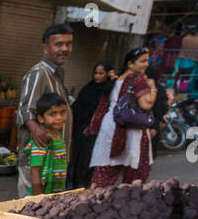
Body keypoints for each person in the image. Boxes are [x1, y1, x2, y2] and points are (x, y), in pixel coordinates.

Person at [16, 23, 73, 198]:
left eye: (68, 44)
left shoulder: (56, 73)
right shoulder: (39, 73)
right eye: (58, 44)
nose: (64, 48)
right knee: (31, 209)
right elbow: (25, 109)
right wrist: (36, 129)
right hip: (39, 163)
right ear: (45, 48)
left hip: (54, 162)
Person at [88, 46, 156, 187]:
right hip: (130, 129)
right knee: (134, 176)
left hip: (110, 126)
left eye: (147, 61)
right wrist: (153, 88)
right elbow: (146, 104)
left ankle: (95, 201)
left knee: (105, 172)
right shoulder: (139, 80)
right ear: (130, 64)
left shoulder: (116, 79)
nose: (146, 64)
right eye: (142, 61)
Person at [68, 62, 111, 190]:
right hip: (79, 129)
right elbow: (78, 107)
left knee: (86, 160)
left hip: (95, 132)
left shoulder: (107, 90)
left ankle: (81, 185)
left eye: (101, 73)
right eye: (96, 73)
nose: (97, 76)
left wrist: (113, 79)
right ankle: (70, 185)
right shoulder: (88, 88)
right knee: (74, 158)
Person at [22, 93, 69, 196]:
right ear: (41, 118)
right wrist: (38, 199)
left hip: (56, 192)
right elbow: (35, 171)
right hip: (44, 194)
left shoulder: (59, 136)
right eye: (53, 114)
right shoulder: (42, 141)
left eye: (62, 112)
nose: (59, 118)